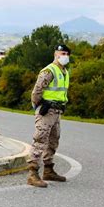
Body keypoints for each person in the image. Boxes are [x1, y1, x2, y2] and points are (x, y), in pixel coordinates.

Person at [27, 44, 71, 188]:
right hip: (46, 111)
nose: (65, 56)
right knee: (40, 140)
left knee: (53, 141)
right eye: (62, 53)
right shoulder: (49, 70)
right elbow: (36, 92)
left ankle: (48, 170)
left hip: (57, 112)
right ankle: (33, 174)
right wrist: (39, 107)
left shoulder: (64, 72)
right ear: (55, 54)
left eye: (66, 54)